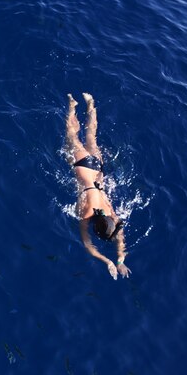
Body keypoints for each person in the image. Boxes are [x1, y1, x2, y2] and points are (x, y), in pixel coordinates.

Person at [65, 93, 131, 280]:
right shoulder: (86, 215)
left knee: (90, 135)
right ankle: (72, 105)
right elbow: (87, 245)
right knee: (72, 135)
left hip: (97, 167)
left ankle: (90, 102)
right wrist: (109, 262)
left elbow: (120, 238)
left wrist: (118, 260)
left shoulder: (112, 215)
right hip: (82, 169)